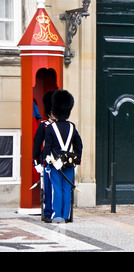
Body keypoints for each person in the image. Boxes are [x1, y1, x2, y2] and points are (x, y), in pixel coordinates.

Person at [43, 90, 83, 223]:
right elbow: (79, 144)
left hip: (55, 163)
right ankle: (66, 216)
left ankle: (57, 216)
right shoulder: (72, 127)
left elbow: (47, 147)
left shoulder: (51, 127)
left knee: (57, 188)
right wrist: (77, 159)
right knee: (67, 189)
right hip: (69, 163)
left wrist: (45, 161)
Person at [33, 90, 56, 222]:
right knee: (47, 187)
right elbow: (37, 144)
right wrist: (36, 160)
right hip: (47, 160)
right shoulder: (44, 126)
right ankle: (48, 212)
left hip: (60, 160)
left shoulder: (64, 125)